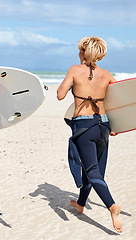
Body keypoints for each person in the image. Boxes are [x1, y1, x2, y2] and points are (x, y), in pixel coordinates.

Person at [57, 36, 122, 233]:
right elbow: (120, 101)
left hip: (83, 127)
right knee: (94, 171)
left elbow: (60, 95)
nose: (78, 54)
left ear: (84, 53)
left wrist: (74, 86)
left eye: (80, 50)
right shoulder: (107, 74)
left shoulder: (75, 70)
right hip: (103, 126)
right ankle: (81, 204)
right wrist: (117, 125)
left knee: (92, 171)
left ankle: (112, 206)